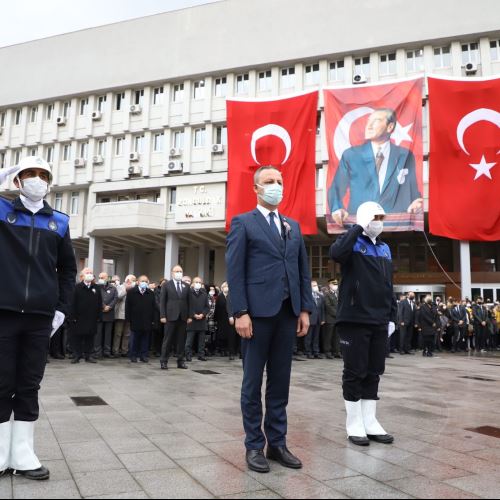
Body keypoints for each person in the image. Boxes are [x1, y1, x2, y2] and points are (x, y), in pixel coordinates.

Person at [226, 165, 313, 474]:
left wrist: (304, 309)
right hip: (256, 316)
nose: (275, 186)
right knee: (252, 383)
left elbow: (303, 271)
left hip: (287, 313)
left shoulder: (293, 225)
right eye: (269, 181)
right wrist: (240, 311)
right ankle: (253, 445)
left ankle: (277, 442)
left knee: (280, 382)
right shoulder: (243, 223)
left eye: (279, 181)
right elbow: (234, 271)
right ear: (256, 189)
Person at [0, 158, 76, 481]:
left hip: (40, 318)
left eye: (42, 176)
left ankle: (24, 453)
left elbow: (68, 271)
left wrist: (60, 309)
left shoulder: (58, 222)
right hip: (4, 313)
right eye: (29, 175)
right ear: (17, 181)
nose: (36, 181)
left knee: (29, 385)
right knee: (1, 383)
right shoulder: (3, 212)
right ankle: (1, 453)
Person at [330, 201, 396, 447]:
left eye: (381, 217)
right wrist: (357, 226)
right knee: (354, 371)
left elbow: (389, 285)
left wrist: (392, 316)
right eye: (374, 217)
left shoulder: (386, 248)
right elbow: (336, 254)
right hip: (354, 318)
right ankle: (354, 424)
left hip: (379, 320)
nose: (378, 222)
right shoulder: (353, 243)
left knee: (374, 371)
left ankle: (370, 421)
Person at [328, 108, 423, 227]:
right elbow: (336, 189)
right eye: (368, 121)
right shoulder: (351, 155)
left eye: (376, 121)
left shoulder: (405, 155)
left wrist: (416, 202)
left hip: (395, 225)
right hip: (359, 226)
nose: (369, 126)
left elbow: (413, 191)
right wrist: (337, 209)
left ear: (390, 127)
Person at [159, 265, 189, 370]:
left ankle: (180, 361)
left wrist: (189, 316)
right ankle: (163, 361)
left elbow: (189, 301)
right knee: (167, 340)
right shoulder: (166, 285)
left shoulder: (186, 285)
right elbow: (162, 301)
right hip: (170, 316)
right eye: (177, 271)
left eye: (180, 271)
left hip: (183, 317)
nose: (179, 273)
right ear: (172, 273)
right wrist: (162, 315)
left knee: (181, 340)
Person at [70, 269, 102, 364]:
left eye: (91, 273)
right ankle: (77, 355)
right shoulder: (77, 287)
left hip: (91, 317)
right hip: (79, 317)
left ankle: (89, 355)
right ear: (82, 276)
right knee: (77, 337)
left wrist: (99, 316)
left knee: (90, 337)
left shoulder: (96, 288)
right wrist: (73, 316)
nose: (89, 274)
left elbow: (99, 303)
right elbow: (72, 303)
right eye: (87, 273)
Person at [126, 275, 155, 363]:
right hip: (135, 319)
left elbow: (153, 307)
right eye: (142, 281)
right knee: (134, 338)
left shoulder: (150, 293)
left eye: (146, 281)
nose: (144, 283)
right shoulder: (131, 292)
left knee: (145, 339)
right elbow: (128, 306)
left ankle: (143, 355)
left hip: (147, 320)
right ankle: (133, 355)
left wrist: (153, 319)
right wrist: (128, 318)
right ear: (138, 282)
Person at [185, 277, 210, 362]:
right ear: (193, 283)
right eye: (196, 282)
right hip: (192, 320)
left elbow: (207, 307)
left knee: (202, 341)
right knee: (189, 340)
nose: (198, 284)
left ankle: (201, 355)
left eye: (199, 282)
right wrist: (193, 315)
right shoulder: (189, 293)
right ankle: (188, 355)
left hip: (202, 320)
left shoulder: (204, 293)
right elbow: (186, 306)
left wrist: (203, 314)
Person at [95, 272, 118, 359]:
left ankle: (107, 351)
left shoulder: (113, 288)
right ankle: (97, 352)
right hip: (100, 313)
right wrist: (103, 306)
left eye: (103, 277)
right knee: (98, 334)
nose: (101, 279)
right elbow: (96, 297)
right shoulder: (97, 287)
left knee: (108, 334)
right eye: (100, 277)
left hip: (109, 313)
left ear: (107, 278)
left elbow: (115, 298)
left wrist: (110, 306)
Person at [305, 281, 325, 359]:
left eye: (316, 285)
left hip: (318, 319)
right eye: (313, 285)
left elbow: (322, 309)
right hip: (310, 319)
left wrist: (323, 319)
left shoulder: (320, 296)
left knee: (316, 337)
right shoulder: (307, 296)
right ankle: (308, 352)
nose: (315, 286)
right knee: (309, 337)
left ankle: (316, 351)